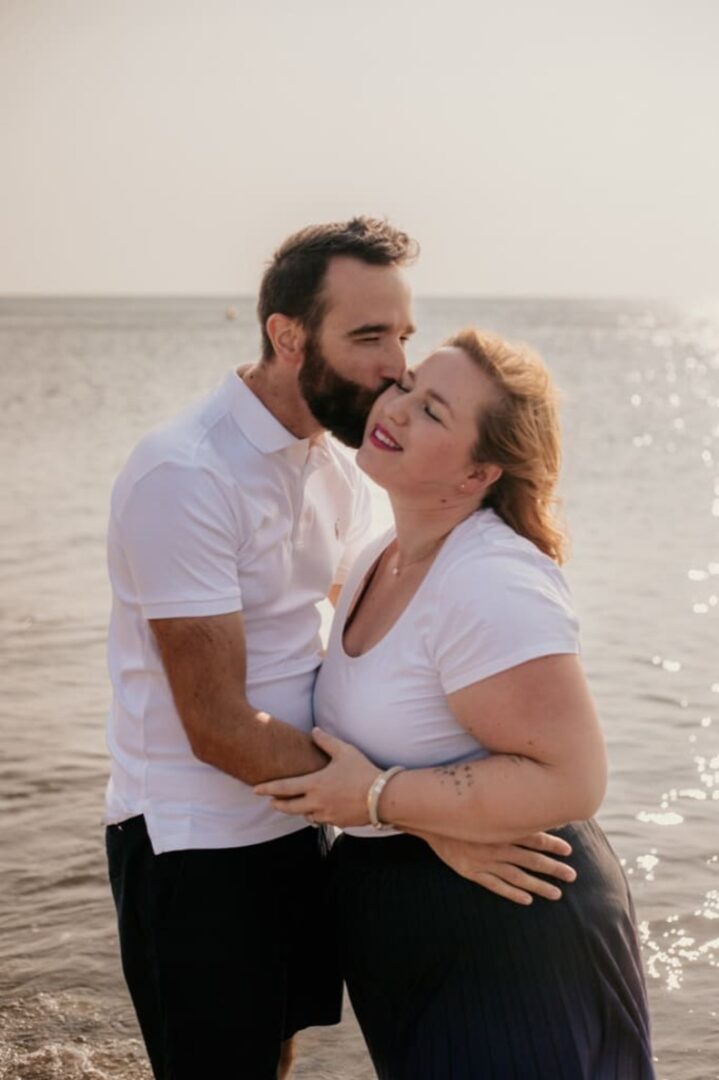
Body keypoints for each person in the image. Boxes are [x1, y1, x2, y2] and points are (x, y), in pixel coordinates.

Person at [104, 222, 574, 1080]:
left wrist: (419, 792)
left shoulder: (333, 458)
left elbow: (377, 612)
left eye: (402, 332)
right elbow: (215, 725)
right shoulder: (185, 473)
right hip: (196, 840)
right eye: (367, 337)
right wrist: (414, 814)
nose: (397, 364)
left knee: (278, 1051)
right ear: (288, 337)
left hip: (299, 826)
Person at [256, 329, 656, 1079]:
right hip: (424, 924)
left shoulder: (490, 580)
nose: (397, 409)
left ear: (478, 472)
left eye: (433, 411)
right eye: (405, 385)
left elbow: (572, 780)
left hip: (512, 928)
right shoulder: (383, 551)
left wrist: (379, 798)